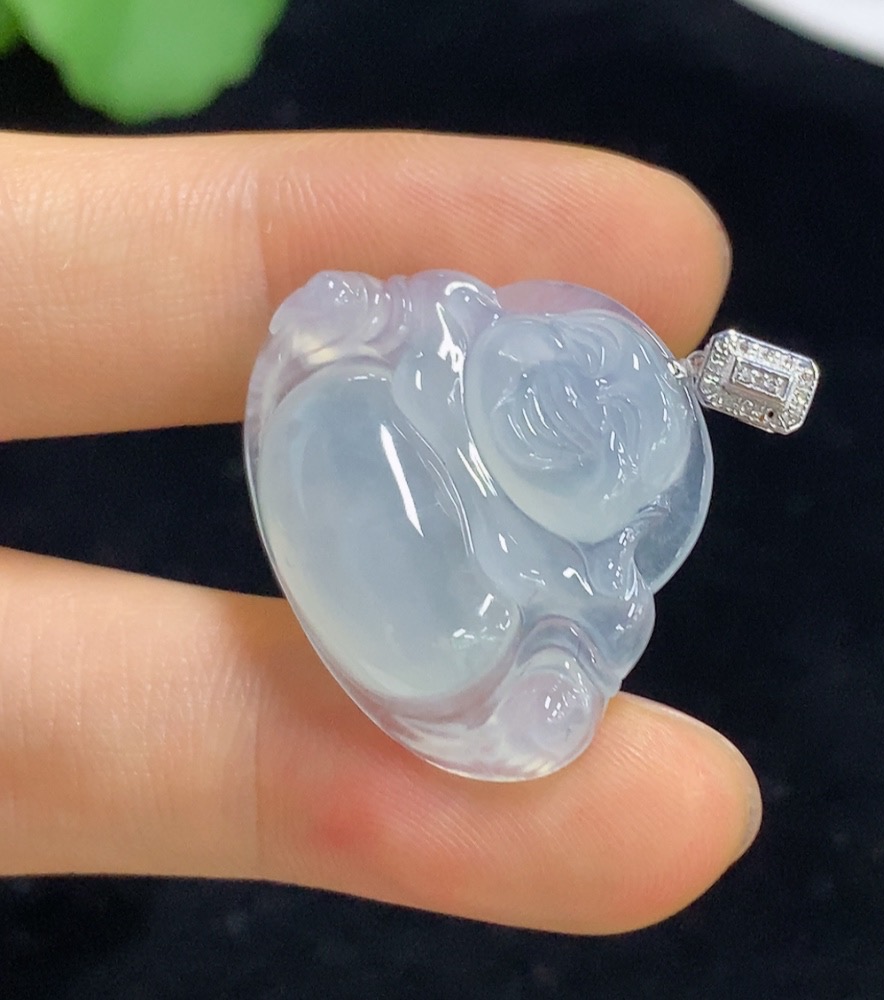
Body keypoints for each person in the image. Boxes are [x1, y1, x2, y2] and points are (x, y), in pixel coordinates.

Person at [0, 129, 760, 935]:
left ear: (629, 516)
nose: (579, 401)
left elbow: (589, 642)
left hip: (452, 613)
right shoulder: (449, 330)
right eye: (581, 358)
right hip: (345, 432)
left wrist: (550, 699)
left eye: (620, 435)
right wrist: (351, 314)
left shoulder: (585, 577)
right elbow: (390, 314)